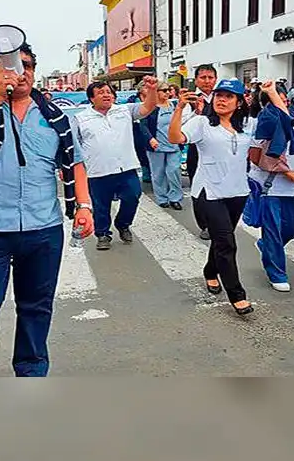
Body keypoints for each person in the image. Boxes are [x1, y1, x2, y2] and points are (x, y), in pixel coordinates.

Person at [0, 41, 95, 377]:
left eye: (26, 66)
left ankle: (31, 370)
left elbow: (75, 162)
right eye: (10, 66)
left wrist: (84, 205)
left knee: (36, 307)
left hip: (42, 228)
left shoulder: (53, 115)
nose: (20, 73)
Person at [169, 78, 254, 315]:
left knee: (221, 239)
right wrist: (178, 109)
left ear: (239, 102)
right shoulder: (202, 123)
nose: (222, 100)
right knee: (227, 243)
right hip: (210, 192)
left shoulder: (247, 125)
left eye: (228, 96)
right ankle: (237, 295)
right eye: (219, 95)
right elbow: (176, 138)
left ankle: (209, 271)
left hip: (238, 192)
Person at [75, 78, 159, 250]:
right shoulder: (80, 118)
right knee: (101, 206)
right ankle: (103, 234)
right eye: (100, 93)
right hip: (97, 171)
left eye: (108, 92)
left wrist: (151, 90)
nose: (106, 95)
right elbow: (75, 146)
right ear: (91, 98)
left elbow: (148, 107)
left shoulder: (125, 110)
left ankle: (123, 224)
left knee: (133, 196)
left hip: (126, 168)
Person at [249, 81, 294, 291]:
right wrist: (284, 170)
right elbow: (255, 157)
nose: (284, 106)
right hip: (270, 186)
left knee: (291, 229)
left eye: (286, 101)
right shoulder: (263, 122)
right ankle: (277, 273)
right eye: (278, 102)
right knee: (273, 231)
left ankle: (266, 247)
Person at [183, 64, 219, 240]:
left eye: (210, 77)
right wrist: (196, 113)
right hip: (196, 149)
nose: (207, 81)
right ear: (196, 80)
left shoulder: (223, 97)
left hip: (219, 149)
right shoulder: (189, 100)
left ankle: (219, 222)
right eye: (203, 77)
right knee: (199, 188)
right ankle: (204, 224)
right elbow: (181, 126)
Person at [139, 81, 185, 209]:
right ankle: (162, 198)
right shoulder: (150, 107)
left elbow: (183, 120)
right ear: (156, 92)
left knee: (173, 171)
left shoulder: (175, 105)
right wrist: (150, 139)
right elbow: (143, 126)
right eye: (164, 90)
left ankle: (175, 198)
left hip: (174, 145)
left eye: (169, 90)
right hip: (157, 146)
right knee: (158, 173)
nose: (168, 93)